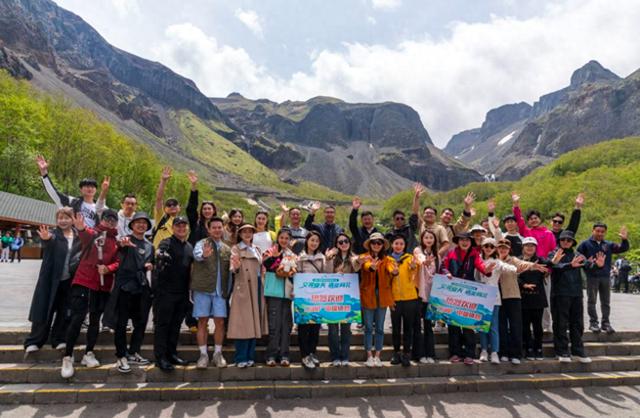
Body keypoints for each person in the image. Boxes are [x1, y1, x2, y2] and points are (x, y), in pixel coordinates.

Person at [61, 210, 119, 378]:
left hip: (103, 286)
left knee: (95, 320)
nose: (110, 222)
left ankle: (89, 352)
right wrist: (81, 228)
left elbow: (117, 261)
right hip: (84, 281)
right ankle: (68, 355)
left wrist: (109, 268)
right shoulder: (94, 234)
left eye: (113, 220)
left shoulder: (115, 241)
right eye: (107, 219)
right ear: (102, 219)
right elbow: (85, 235)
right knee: (78, 318)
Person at [24, 208, 81, 353]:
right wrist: (46, 238)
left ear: (73, 219)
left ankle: (59, 339)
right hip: (50, 280)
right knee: (44, 308)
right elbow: (49, 241)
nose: (63, 220)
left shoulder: (77, 235)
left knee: (65, 311)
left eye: (66, 217)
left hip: (69, 280)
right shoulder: (53, 234)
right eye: (60, 218)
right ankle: (35, 340)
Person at [105, 212, 154, 372]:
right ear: (132, 225)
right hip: (125, 286)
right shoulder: (125, 240)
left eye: (144, 223)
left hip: (141, 287)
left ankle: (134, 352)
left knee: (140, 323)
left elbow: (150, 262)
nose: (141, 225)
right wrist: (122, 245)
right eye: (138, 222)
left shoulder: (149, 246)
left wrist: (150, 265)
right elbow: (117, 250)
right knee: (121, 322)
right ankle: (121, 355)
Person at [441, 232, 495, 365]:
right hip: (453, 290)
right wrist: (447, 273)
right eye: (462, 240)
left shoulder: (474, 254)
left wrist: (487, 269)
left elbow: (481, 266)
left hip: (469, 292)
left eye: (467, 240)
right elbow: (443, 266)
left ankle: (469, 354)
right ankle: (455, 353)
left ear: (471, 242)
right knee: (453, 324)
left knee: (468, 325)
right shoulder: (451, 253)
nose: (465, 242)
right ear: (458, 241)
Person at [495, 238, 547, 364]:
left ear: (509, 249)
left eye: (505, 247)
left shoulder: (513, 260)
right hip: (496, 297)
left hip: (512, 296)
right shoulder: (493, 261)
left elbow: (522, 263)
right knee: (501, 327)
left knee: (515, 326)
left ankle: (516, 354)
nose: (503, 249)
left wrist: (532, 265)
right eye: (500, 247)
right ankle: (504, 352)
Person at [153, 216, 194, 371]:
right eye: (178, 226)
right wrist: (160, 255)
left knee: (176, 325)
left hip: (182, 293)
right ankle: (160, 357)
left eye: (184, 226)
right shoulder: (167, 242)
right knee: (163, 325)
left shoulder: (190, 246)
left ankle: (172, 354)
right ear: (173, 227)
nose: (181, 228)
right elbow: (159, 251)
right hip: (165, 292)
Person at [191, 217, 231, 370]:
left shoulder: (227, 248)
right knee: (202, 321)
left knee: (220, 322)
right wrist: (204, 255)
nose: (217, 230)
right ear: (209, 229)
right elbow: (197, 255)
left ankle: (218, 353)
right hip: (203, 289)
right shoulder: (202, 243)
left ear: (223, 228)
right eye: (214, 227)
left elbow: (231, 269)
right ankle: (203, 355)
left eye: (219, 227)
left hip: (220, 291)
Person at [548, 230, 593, 363]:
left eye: (569, 240)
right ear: (559, 241)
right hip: (560, 293)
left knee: (577, 323)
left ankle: (578, 350)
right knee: (560, 323)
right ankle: (561, 351)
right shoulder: (554, 253)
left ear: (573, 242)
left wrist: (597, 265)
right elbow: (554, 266)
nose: (566, 242)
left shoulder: (577, 254)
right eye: (563, 240)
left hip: (576, 293)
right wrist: (569, 265)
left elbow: (588, 266)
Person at [577, 223, 629, 333]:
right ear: (593, 231)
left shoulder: (608, 244)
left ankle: (606, 323)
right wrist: (588, 263)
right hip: (592, 276)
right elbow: (578, 256)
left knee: (605, 302)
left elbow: (622, 248)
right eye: (597, 231)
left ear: (605, 232)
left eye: (602, 231)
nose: (600, 233)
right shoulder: (585, 244)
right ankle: (593, 323)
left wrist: (624, 240)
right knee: (592, 301)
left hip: (605, 277)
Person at [228, 224, 268, 368]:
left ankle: (250, 356)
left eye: (250, 232)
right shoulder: (236, 248)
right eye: (244, 232)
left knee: (254, 322)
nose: (247, 234)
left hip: (257, 287)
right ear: (240, 234)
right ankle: (240, 357)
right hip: (243, 288)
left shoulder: (257, 249)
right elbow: (233, 267)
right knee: (242, 324)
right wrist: (236, 266)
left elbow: (261, 268)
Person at [36, 155, 106, 228]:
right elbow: (53, 193)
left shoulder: (102, 208)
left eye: (92, 187)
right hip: (74, 236)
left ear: (96, 190)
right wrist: (44, 172)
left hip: (92, 237)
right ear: (81, 189)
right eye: (87, 186)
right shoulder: (72, 202)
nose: (90, 189)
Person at [359, 232, 396, 368]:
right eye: (374, 243)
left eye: (379, 243)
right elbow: (366, 265)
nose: (376, 245)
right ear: (369, 244)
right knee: (368, 327)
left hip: (382, 296)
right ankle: (369, 355)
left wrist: (394, 272)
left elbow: (391, 268)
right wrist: (372, 266)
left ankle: (378, 356)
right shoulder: (364, 257)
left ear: (382, 245)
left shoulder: (388, 259)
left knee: (380, 328)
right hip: (367, 295)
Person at [475, 237, 515, 364]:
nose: (488, 248)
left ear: (494, 249)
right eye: (486, 246)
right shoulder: (477, 260)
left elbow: (509, 268)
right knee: (482, 326)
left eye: (491, 246)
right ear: (482, 247)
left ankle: (494, 352)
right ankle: (484, 350)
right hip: (479, 295)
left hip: (493, 297)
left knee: (493, 326)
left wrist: (519, 268)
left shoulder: (497, 262)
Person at [263, 228, 297, 367]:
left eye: (286, 238)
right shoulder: (270, 251)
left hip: (287, 294)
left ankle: (285, 355)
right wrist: (276, 257)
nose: (284, 240)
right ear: (277, 238)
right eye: (281, 237)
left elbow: (294, 274)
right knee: (274, 325)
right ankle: (271, 355)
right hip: (274, 293)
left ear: (289, 240)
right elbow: (267, 266)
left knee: (286, 325)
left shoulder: (292, 255)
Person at [296, 231, 331, 369]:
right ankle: (304, 355)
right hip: (304, 298)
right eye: (312, 240)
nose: (314, 243)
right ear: (307, 241)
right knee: (304, 327)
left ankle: (312, 353)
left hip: (318, 297)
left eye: (317, 241)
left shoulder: (322, 258)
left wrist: (328, 261)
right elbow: (296, 275)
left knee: (315, 328)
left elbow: (327, 275)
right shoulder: (300, 258)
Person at [326, 232, 360, 367]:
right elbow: (326, 273)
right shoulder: (331, 257)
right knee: (332, 329)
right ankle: (335, 356)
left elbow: (357, 266)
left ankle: (345, 356)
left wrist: (356, 260)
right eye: (340, 242)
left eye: (346, 241)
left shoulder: (354, 257)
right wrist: (328, 259)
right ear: (336, 244)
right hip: (332, 297)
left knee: (346, 329)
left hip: (348, 298)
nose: (343, 244)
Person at [388, 235, 419, 367]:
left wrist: (413, 267)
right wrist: (393, 272)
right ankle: (396, 353)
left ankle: (407, 353)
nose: (399, 246)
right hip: (395, 298)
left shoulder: (410, 258)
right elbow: (388, 275)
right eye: (396, 243)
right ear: (392, 245)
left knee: (408, 328)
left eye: (401, 244)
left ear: (404, 246)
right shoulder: (388, 259)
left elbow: (414, 272)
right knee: (395, 328)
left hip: (410, 298)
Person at [519, 237, 550, 361]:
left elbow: (551, 265)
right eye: (527, 245)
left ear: (536, 248)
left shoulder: (541, 260)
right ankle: (529, 348)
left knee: (538, 326)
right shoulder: (518, 260)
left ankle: (538, 348)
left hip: (538, 298)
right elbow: (514, 276)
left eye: (532, 245)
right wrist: (523, 284)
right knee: (525, 325)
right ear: (523, 247)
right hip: (523, 297)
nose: (529, 248)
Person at [413, 230, 440, 364]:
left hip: (432, 294)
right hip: (419, 292)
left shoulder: (437, 255)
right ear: (422, 239)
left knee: (429, 325)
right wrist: (425, 262)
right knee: (419, 325)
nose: (429, 239)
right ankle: (419, 354)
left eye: (431, 237)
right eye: (426, 237)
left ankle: (430, 354)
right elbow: (420, 259)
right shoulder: (418, 250)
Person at [511, 192, 556, 258]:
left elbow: (553, 250)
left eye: (535, 218)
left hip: (546, 264)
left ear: (540, 219)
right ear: (528, 221)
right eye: (531, 219)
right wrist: (516, 205)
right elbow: (519, 220)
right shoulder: (527, 232)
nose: (534, 220)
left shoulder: (549, 233)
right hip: (531, 264)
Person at [413, 184, 449, 256]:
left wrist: (435, 256)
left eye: (431, 213)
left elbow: (446, 245)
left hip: (435, 259)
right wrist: (416, 197)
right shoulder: (421, 224)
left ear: (436, 216)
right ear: (423, 215)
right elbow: (415, 212)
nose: (429, 214)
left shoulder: (440, 228)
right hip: (421, 257)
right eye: (426, 213)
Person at [186, 170, 217, 246]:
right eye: (204, 209)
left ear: (214, 211)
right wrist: (194, 185)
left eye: (209, 209)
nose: (207, 211)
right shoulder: (196, 223)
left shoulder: (218, 224)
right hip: (194, 254)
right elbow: (192, 207)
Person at [152, 166, 181, 249]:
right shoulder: (161, 217)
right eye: (168, 204)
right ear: (164, 208)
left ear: (180, 207)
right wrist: (163, 181)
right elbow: (159, 199)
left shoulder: (183, 224)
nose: (172, 206)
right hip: (158, 256)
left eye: (174, 204)